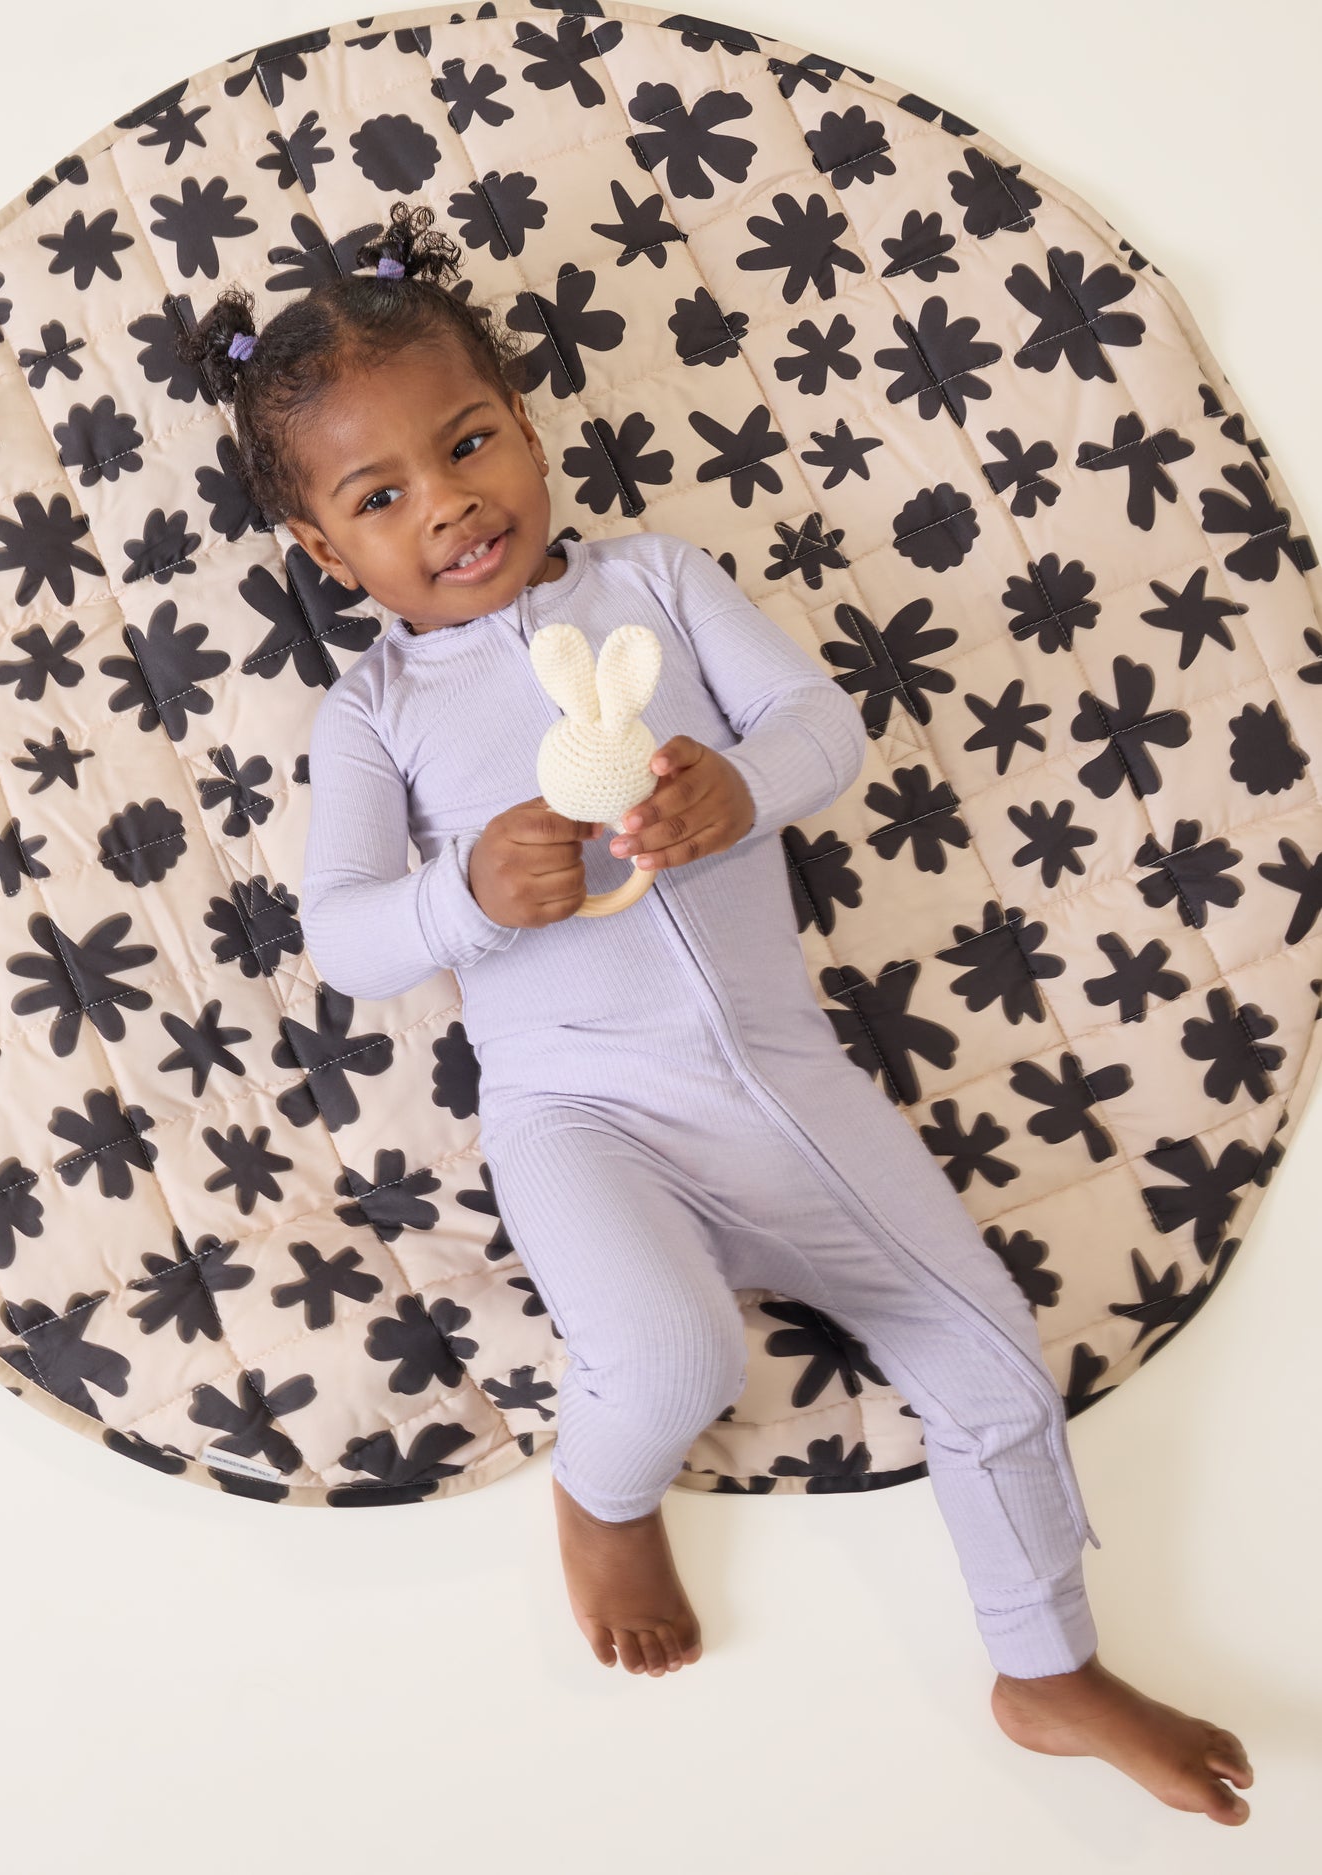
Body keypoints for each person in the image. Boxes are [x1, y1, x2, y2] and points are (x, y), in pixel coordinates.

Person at [177, 199, 1254, 1826]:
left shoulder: (658, 583)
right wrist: (469, 893)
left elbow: (822, 725)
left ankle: (1045, 1665)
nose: (448, 503)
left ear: (526, 427)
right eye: (379, 497)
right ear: (329, 557)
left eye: (467, 445)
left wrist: (740, 789)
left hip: (788, 1084)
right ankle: (603, 1498)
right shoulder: (373, 713)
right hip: (578, 1111)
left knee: (989, 1353)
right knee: (672, 1356)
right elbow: (343, 937)